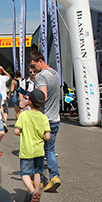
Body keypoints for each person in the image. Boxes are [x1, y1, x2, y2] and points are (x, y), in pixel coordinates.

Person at [28, 50, 62, 192]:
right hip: (55, 118)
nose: (32, 69)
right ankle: (54, 176)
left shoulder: (41, 76)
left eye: (33, 65)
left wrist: (29, 102)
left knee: (38, 151)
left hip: (44, 119)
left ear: (40, 61)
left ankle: (40, 179)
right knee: (50, 150)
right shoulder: (55, 73)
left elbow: (42, 97)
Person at [14, 89, 51, 202]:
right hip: (39, 151)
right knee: (37, 173)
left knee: (25, 174)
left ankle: (33, 192)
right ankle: (37, 196)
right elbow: (47, 137)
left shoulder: (24, 115)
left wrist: (24, 133)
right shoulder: (44, 117)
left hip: (27, 151)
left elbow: (16, 131)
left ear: (29, 102)